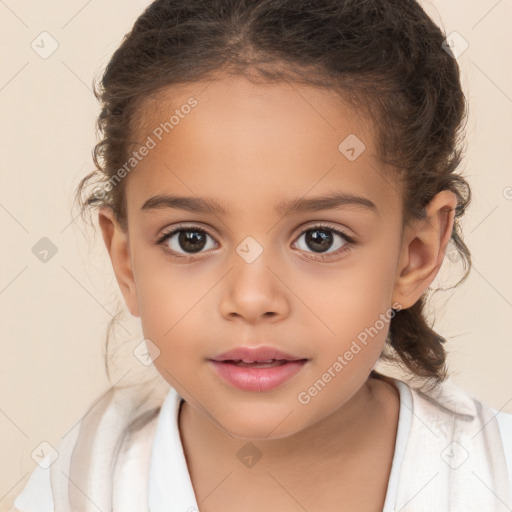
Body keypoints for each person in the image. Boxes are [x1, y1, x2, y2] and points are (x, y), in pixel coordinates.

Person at [12, 0, 512, 511]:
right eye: (191, 239)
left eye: (320, 239)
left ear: (415, 255)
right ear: (126, 262)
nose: (251, 299)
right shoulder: (77, 489)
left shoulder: (494, 477)